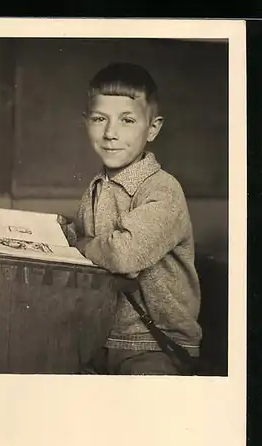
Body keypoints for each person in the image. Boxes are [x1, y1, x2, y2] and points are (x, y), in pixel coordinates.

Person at [60, 62, 202, 375]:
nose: (111, 133)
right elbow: (84, 237)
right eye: (100, 119)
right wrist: (60, 233)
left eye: (127, 120)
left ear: (152, 128)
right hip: (101, 338)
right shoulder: (98, 186)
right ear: (86, 123)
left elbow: (124, 254)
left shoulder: (163, 189)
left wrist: (77, 243)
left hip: (155, 345)